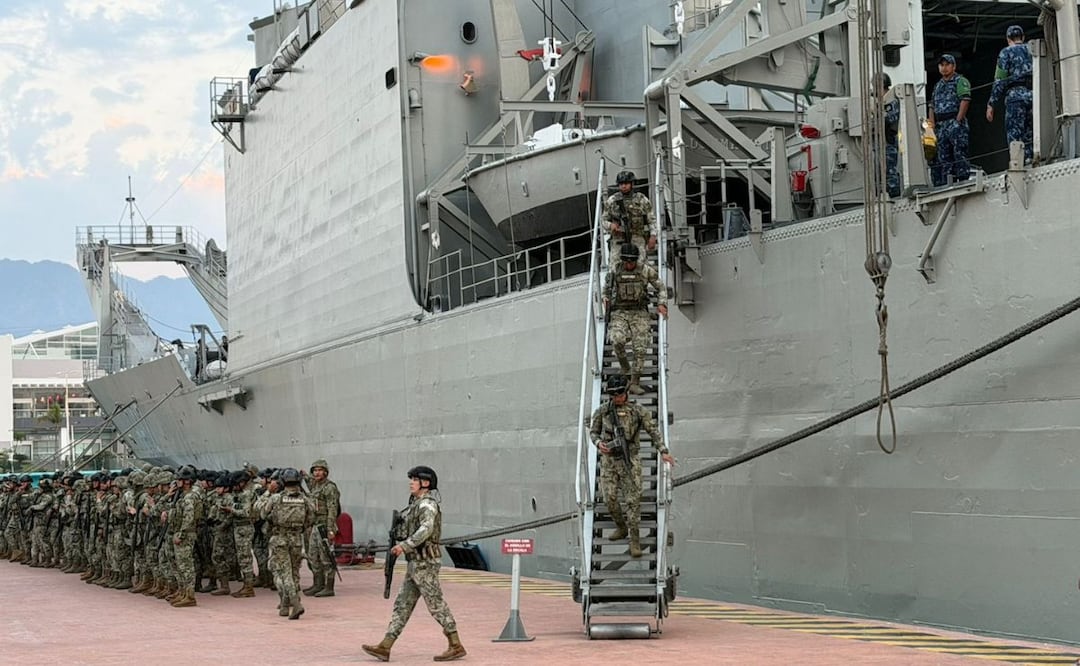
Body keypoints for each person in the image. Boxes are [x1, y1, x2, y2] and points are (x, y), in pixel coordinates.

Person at [362, 466, 465, 662]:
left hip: (425, 562)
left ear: (425, 483)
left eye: (415, 479)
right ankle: (385, 646)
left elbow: (426, 529)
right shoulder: (415, 504)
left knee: (436, 603)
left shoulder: (427, 505)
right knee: (402, 604)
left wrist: (405, 545)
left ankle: (455, 644)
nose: (411, 482)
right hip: (415, 563)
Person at [589, 375, 675, 558]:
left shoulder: (638, 411)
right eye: (613, 395)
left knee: (633, 500)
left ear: (626, 392)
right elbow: (594, 432)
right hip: (610, 461)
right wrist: (598, 444)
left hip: (630, 459)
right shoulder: (603, 411)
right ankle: (621, 527)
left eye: (619, 393)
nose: (617, 398)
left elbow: (653, 431)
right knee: (609, 498)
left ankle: (634, 540)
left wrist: (663, 451)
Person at [604, 243, 668, 395]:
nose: (629, 264)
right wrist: (605, 299)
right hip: (620, 311)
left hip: (639, 312)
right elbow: (606, 289)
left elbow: (661, 287)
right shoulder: (615, 270)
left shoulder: (645, 270)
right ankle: (626, 371)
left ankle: (635, 381)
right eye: (626, 261)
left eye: (631, 261)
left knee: (640, 346)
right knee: (616, 340)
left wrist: (662, 304)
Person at [256, 467, 315, 620]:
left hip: (279, 539)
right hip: (296, 539)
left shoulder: (276, 498)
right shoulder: (304, 499)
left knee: (284, 573)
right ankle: (284, 605)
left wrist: (268, 492)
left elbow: (262, 513)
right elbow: (311, 518)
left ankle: (295, 604)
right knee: (295, 573)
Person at [986, 25, 1033, 164]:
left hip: (1015, 96)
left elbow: (1000, 80)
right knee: (1031, 130)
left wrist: (991, 103)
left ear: (1008, 39)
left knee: (1015, 133)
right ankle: (1031, 158)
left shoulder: (1005, 53)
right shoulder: (1031, 49)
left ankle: (1017, 162)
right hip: (1033, 94)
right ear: (1022, 37)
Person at [929, 54, 971, 186]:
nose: (944, 68)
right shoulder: (938, 86)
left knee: (959, 153)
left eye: (947, 64)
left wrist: (958, 121)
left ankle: (963, 179)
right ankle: (948, 181)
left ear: (953, 66)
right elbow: (932, 106)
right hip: (941, 125)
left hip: (954, 121)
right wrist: (932, 126)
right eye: (942, 65)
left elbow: (965, 100)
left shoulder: (960, 81)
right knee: (943, 156)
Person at [601, 170, 657, 267]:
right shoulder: (612, 201)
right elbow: (603, 220)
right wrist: (611, 225)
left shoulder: (642, 200)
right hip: (619, 238)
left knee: (641, 265)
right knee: (615, 266)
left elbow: (651, 220)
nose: (623, 186)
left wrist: (653, 236)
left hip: (637, 237)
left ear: (632, 184)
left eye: (626, 183)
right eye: (621, 184)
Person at [302, 459, 341, 598]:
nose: (317, 473)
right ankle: (317, 584)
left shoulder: (329, 487)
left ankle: (329, 587)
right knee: (313, 556)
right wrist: (304, 474)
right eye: (315, 470)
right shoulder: (316, 485)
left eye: (320, 470)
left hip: (325, 526)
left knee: (326, 558)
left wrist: (331, 529)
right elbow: (309, 482)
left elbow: (332, 509)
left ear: (325, 472)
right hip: (315, 525)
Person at [880, 73, 901, 198]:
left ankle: (893, 193)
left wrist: (881, 115)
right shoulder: (879, 101)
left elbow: (892, 118)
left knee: (890, 168)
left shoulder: (892, 100)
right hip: (879, 140)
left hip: (889, 140)